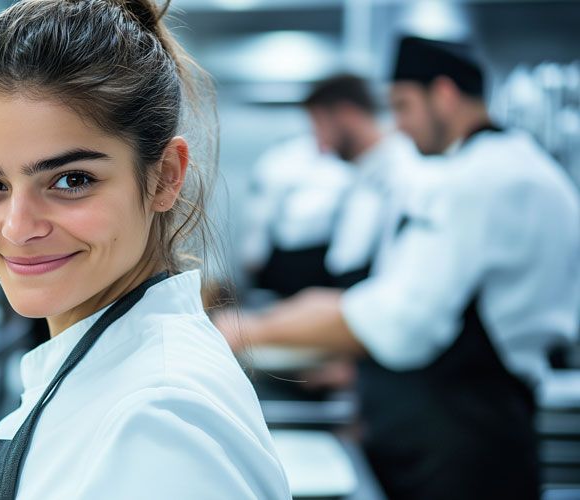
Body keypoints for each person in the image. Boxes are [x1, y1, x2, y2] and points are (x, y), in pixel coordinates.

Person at [0, 1, 290, 499]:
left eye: (71, 180)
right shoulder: (102, 368)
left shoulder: (160, 423)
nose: (18, 228)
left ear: (165, 176)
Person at [214, 35, 580, 500]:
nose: (399, 128)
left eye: (404, 106)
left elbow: (402, 322)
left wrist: (251, 330)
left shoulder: (483, 180)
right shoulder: (515, 168)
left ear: (443, 94)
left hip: (463, 445)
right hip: (465, 425)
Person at [302, 74, 422, 288]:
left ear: (346, 114)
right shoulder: (358, 176)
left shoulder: (404, 173)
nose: (317, 140)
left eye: (318, 124)